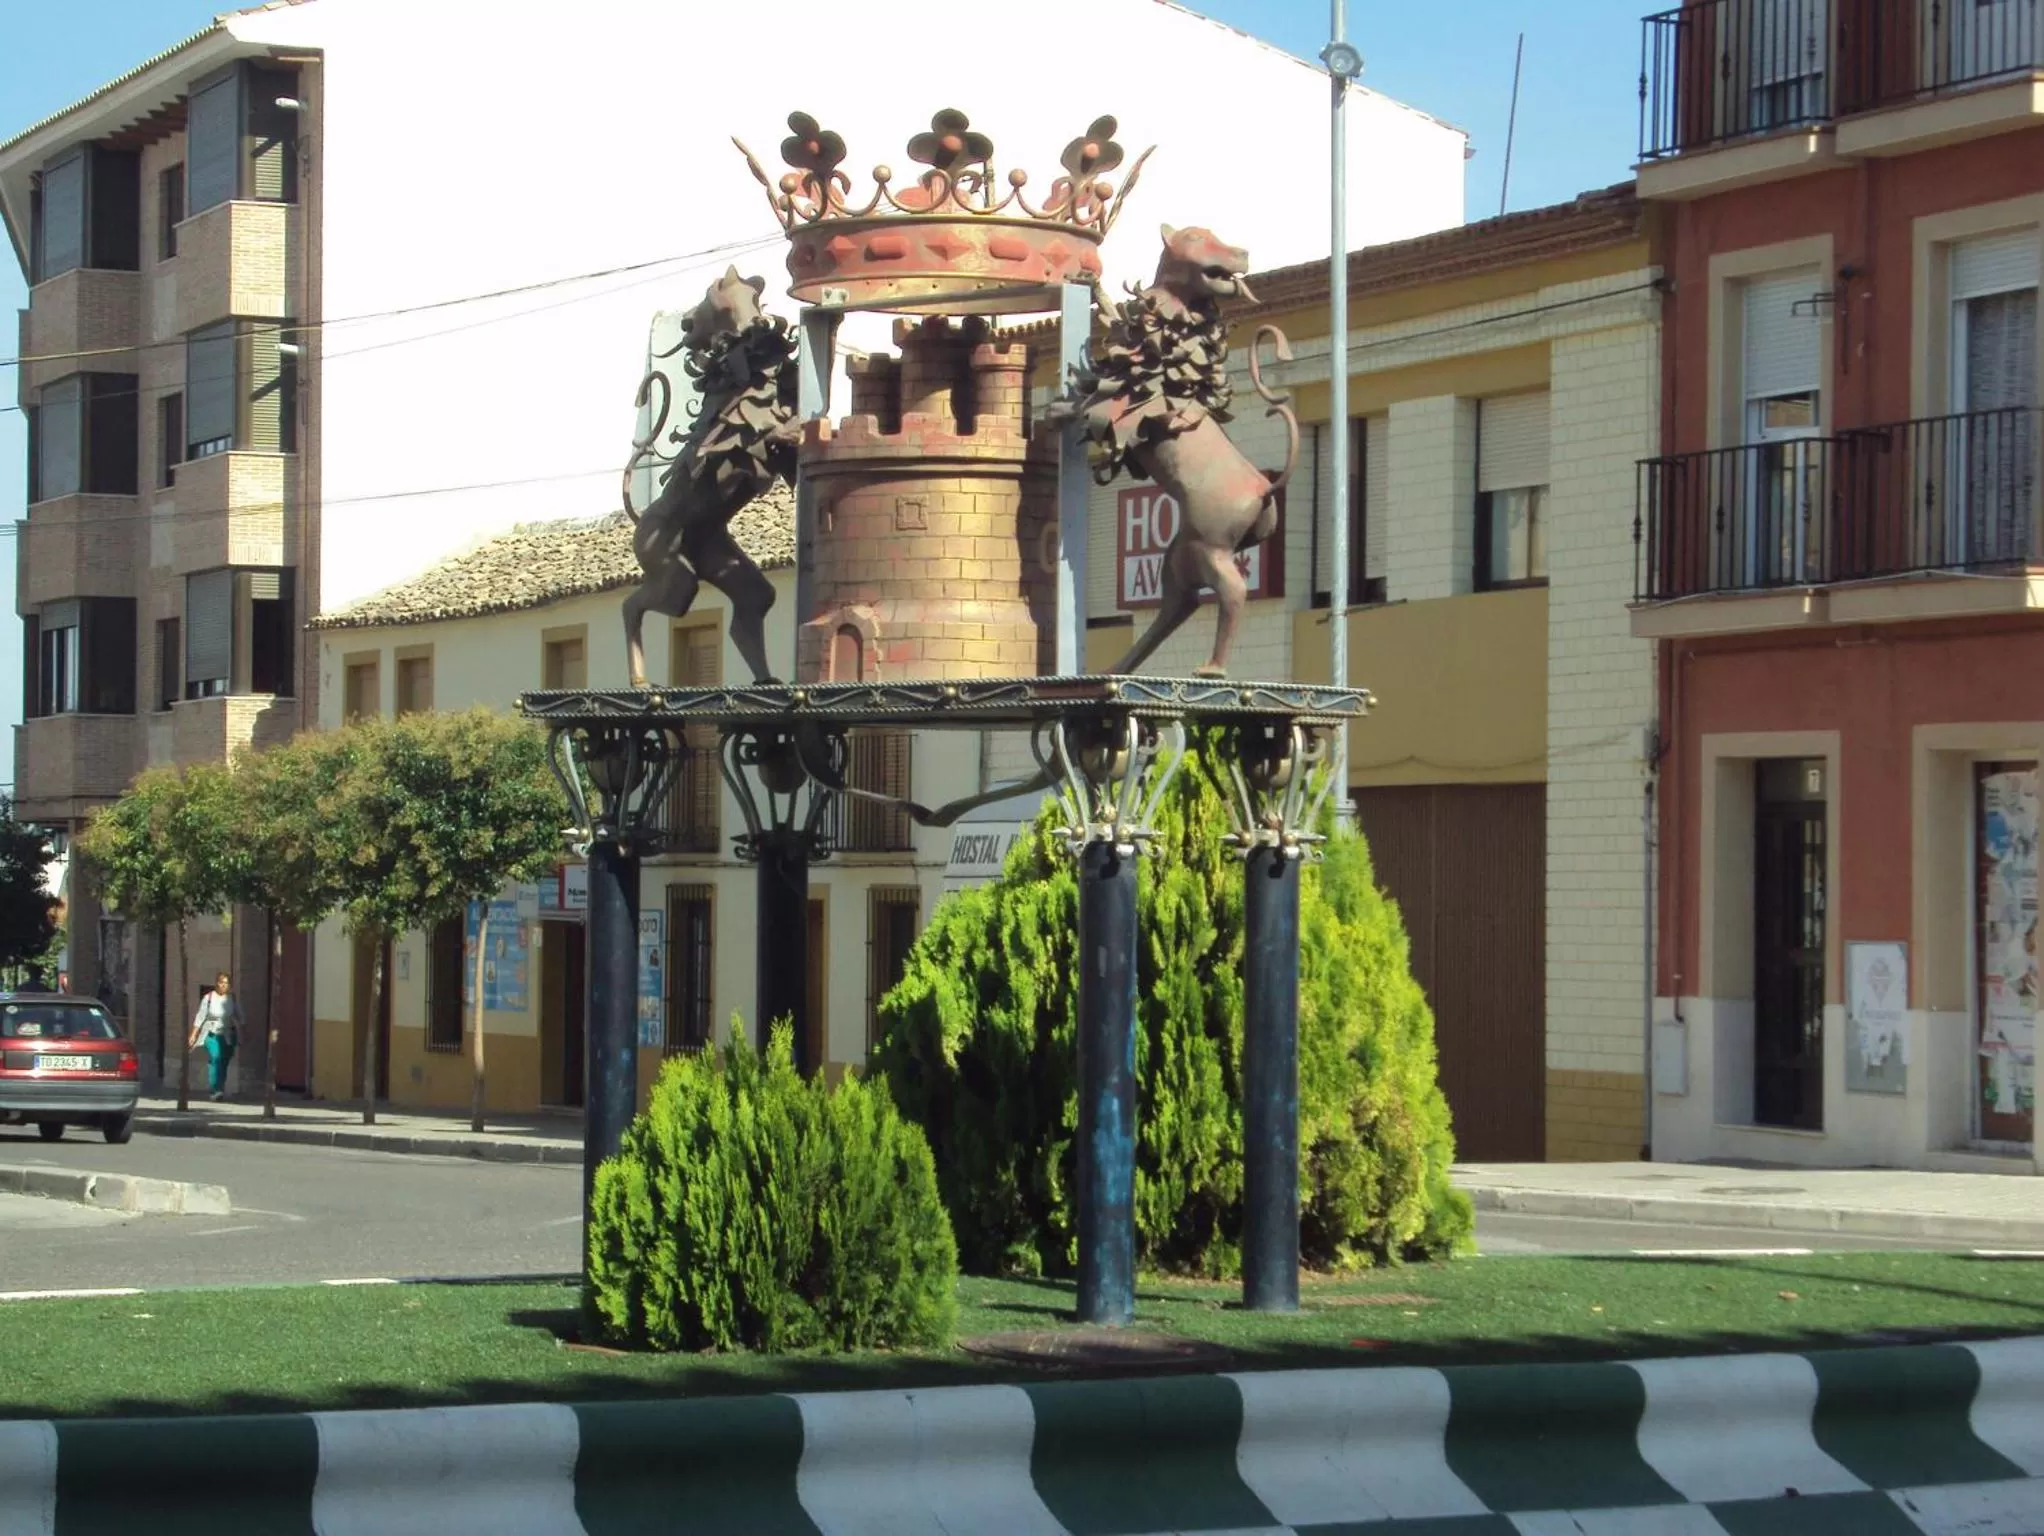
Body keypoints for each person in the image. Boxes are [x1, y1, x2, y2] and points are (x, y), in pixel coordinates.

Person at [189, 973, 243, 1102]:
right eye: (221, 982)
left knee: (223, 1063)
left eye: (226, 983)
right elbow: (200, 1017)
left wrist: (243, 1032)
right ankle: (214, 1090)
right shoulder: (208, 998)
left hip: (227, 1035)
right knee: (215, 1058)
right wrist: (193, 1035)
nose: (223, 985)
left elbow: (240, 1016)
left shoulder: (232, 999)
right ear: (216, 983)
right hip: (211, 1033)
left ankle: (220, 1089)